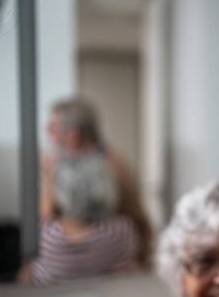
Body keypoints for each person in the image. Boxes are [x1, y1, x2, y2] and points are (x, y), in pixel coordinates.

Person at [41, 97, 153, 268]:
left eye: (53, 127)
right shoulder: (111, 161)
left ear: (73, 136)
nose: (47, 132)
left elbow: (46, 219)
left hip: (107, 272)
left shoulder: (108, 169)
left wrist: (49, 179)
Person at [19, 154, 139, 284]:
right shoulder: (119, 232)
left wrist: (49, 178)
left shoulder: (47, 237)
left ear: (59, 196)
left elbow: (44, 214)